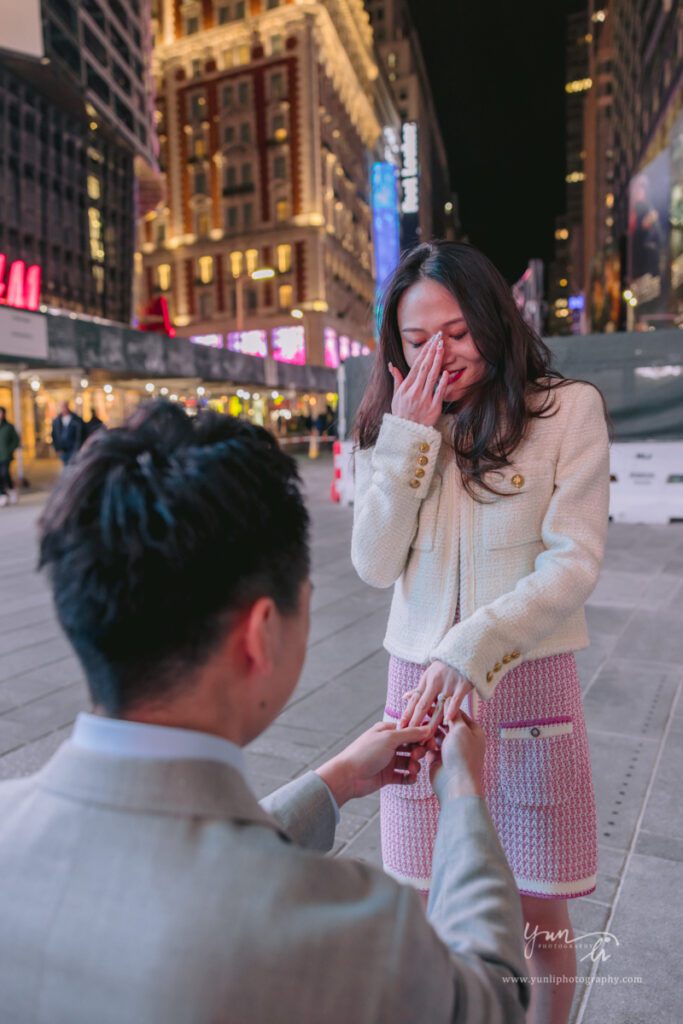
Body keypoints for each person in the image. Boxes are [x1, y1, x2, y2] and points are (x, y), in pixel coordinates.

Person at [0, 401, 529, 1024]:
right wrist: (465, 793)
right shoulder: (348, 927)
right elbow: (491, 996)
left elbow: (169, 862)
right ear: (261, 633)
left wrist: (334, 784)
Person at [351, 241, 610, 1024]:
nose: (442, 354)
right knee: (426, 890)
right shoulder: (392, 427)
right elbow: (372, 564)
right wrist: (407, 441)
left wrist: (473, 646)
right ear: (395, 347)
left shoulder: (565, 410)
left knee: (538, 902)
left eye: (458, 332)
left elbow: (574, 565)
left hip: (525, 675)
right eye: (419, 339)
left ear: (496, 321)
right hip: (418, 691)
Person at [51, 400, 84, 465]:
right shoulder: (56, 420)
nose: (64, 408)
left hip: (74, 448)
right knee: (66, 466)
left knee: (74, 466)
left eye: (65, 406)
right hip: (63, 449)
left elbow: (81, 434)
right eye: (62, 407)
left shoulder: (76, 419)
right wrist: (57, 449)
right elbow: (54, 435)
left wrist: (80, 447)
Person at [0, 405, 20, 507]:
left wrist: (9, 450)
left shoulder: (9, 427)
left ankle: (11, 489)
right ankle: (2, 494)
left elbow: (16, 440)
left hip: (5, 456)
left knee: (5, 474)